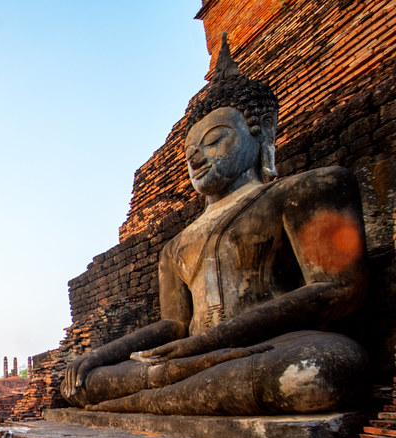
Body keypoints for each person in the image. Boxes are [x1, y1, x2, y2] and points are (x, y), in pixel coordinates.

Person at [60, 35, 369, 416]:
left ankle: (145, 402)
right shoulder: (176, 245)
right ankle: (160, 393)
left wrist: (203, 346)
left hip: (268, 349)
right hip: (192, 362)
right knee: (84, 381)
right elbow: (175, 323)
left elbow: (338, 289)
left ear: (261, 133)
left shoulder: (306, 190)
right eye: (191, 154)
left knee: (322, 367)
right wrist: (96, 356)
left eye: (214, 141)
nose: (199, 160)